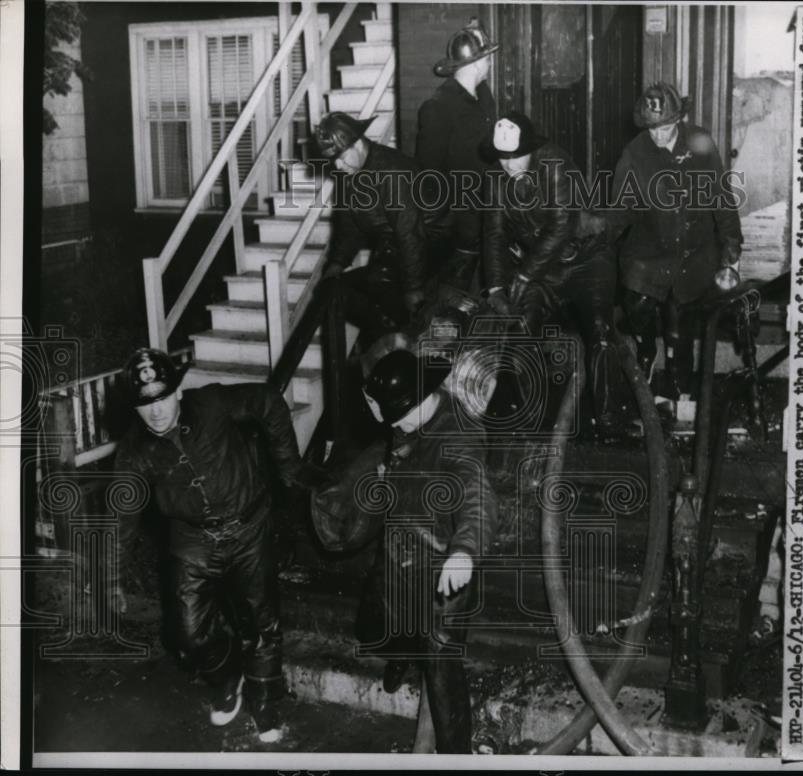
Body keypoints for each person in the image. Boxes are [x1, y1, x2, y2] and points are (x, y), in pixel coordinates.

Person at [111, 348, 301, 743]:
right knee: (188, 634)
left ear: (177, 392)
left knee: (261, 621)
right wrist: (112, 576)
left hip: (248, 526)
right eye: (145, 404)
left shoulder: (212, 403)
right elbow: (122, 517)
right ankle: (227, 675)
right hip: (192, 538)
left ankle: (264, 701)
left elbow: (268, 401)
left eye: (162, 398)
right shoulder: (132, 451)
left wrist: (288, 472)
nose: (157, 411)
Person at [312, 349, 497, 753]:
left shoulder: (458, 438)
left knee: (442, 667)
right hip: (404, 545)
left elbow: (477, 498)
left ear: (417, 402)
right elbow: (401, 449)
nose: (393, 427)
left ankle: (455, 755)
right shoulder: (412, 417)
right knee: (380, 620)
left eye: (396, 419)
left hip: (444, 561)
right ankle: (403, 652)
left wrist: (464, 552)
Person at [480, 111, 635, 440]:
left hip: (587, 260)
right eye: (502, 158)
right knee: (521, 328)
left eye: (515, 157)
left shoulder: (555, 165)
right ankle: (527, 419)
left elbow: (561, 227)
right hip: (544, 267)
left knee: (600, 332)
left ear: (532, 150)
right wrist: (495, 287)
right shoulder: (496, 179)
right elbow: (493, 235)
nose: (508, 165)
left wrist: (523, 277)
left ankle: (610, 422)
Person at [611, 82, 743, 399]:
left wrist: (731, 245)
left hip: (695, 246)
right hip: (652, 244)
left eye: (665, 127)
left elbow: (722, 198)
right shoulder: (635, 153)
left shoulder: (700, 142)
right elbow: (619, 210)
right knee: (636, 299)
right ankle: (645, 347)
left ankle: (677, 386)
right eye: (652, 128)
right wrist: (599, 242)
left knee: (679, 316)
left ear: (679, 120)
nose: (658, 135)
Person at [315, 111, 442, 348]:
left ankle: (400, 341)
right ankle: (388, 336)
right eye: (333, 161)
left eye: (341, 158)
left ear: (358, 144)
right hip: (395, 240)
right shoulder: (349, 173)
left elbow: (410, 232)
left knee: (393, 295)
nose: (337, 166)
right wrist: (336, 264)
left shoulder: (392, 172)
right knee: (341, 289)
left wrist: (413, 287)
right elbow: (348, 225)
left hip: (431, 241)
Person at [415, 17, 499, 291]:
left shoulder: (483, 94)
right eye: (486, 58)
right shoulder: (438, 107)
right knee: (458, 298)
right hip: (460, 227)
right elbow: (428, 176)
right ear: (474, 63)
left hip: (490, 214)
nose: (489, 63)